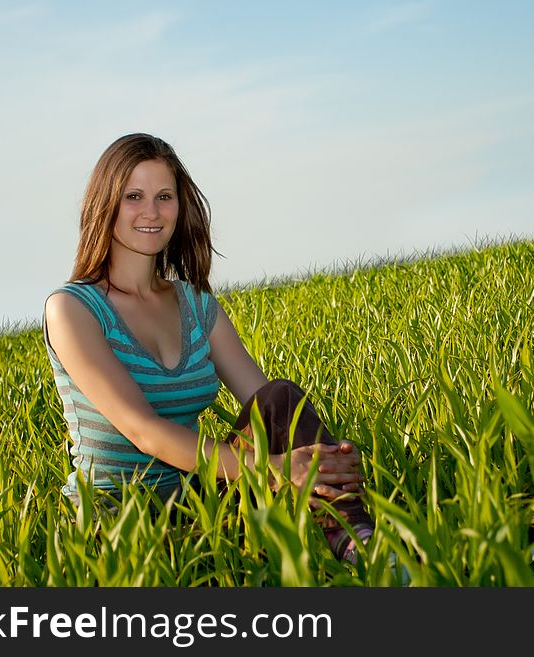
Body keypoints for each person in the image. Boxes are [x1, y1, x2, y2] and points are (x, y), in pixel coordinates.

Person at [43, 133, 374, 563]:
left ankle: (358, 541)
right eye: (133, 196)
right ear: (105, 205)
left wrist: (319, 456)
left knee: (280, 397)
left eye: (164, 196)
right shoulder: (72, 309)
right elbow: (144, 432)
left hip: (195, 497)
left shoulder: (195, 304)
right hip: (117, 519)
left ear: (180, 208)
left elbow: (271, 412)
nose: (152, 212)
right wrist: (276, 469)